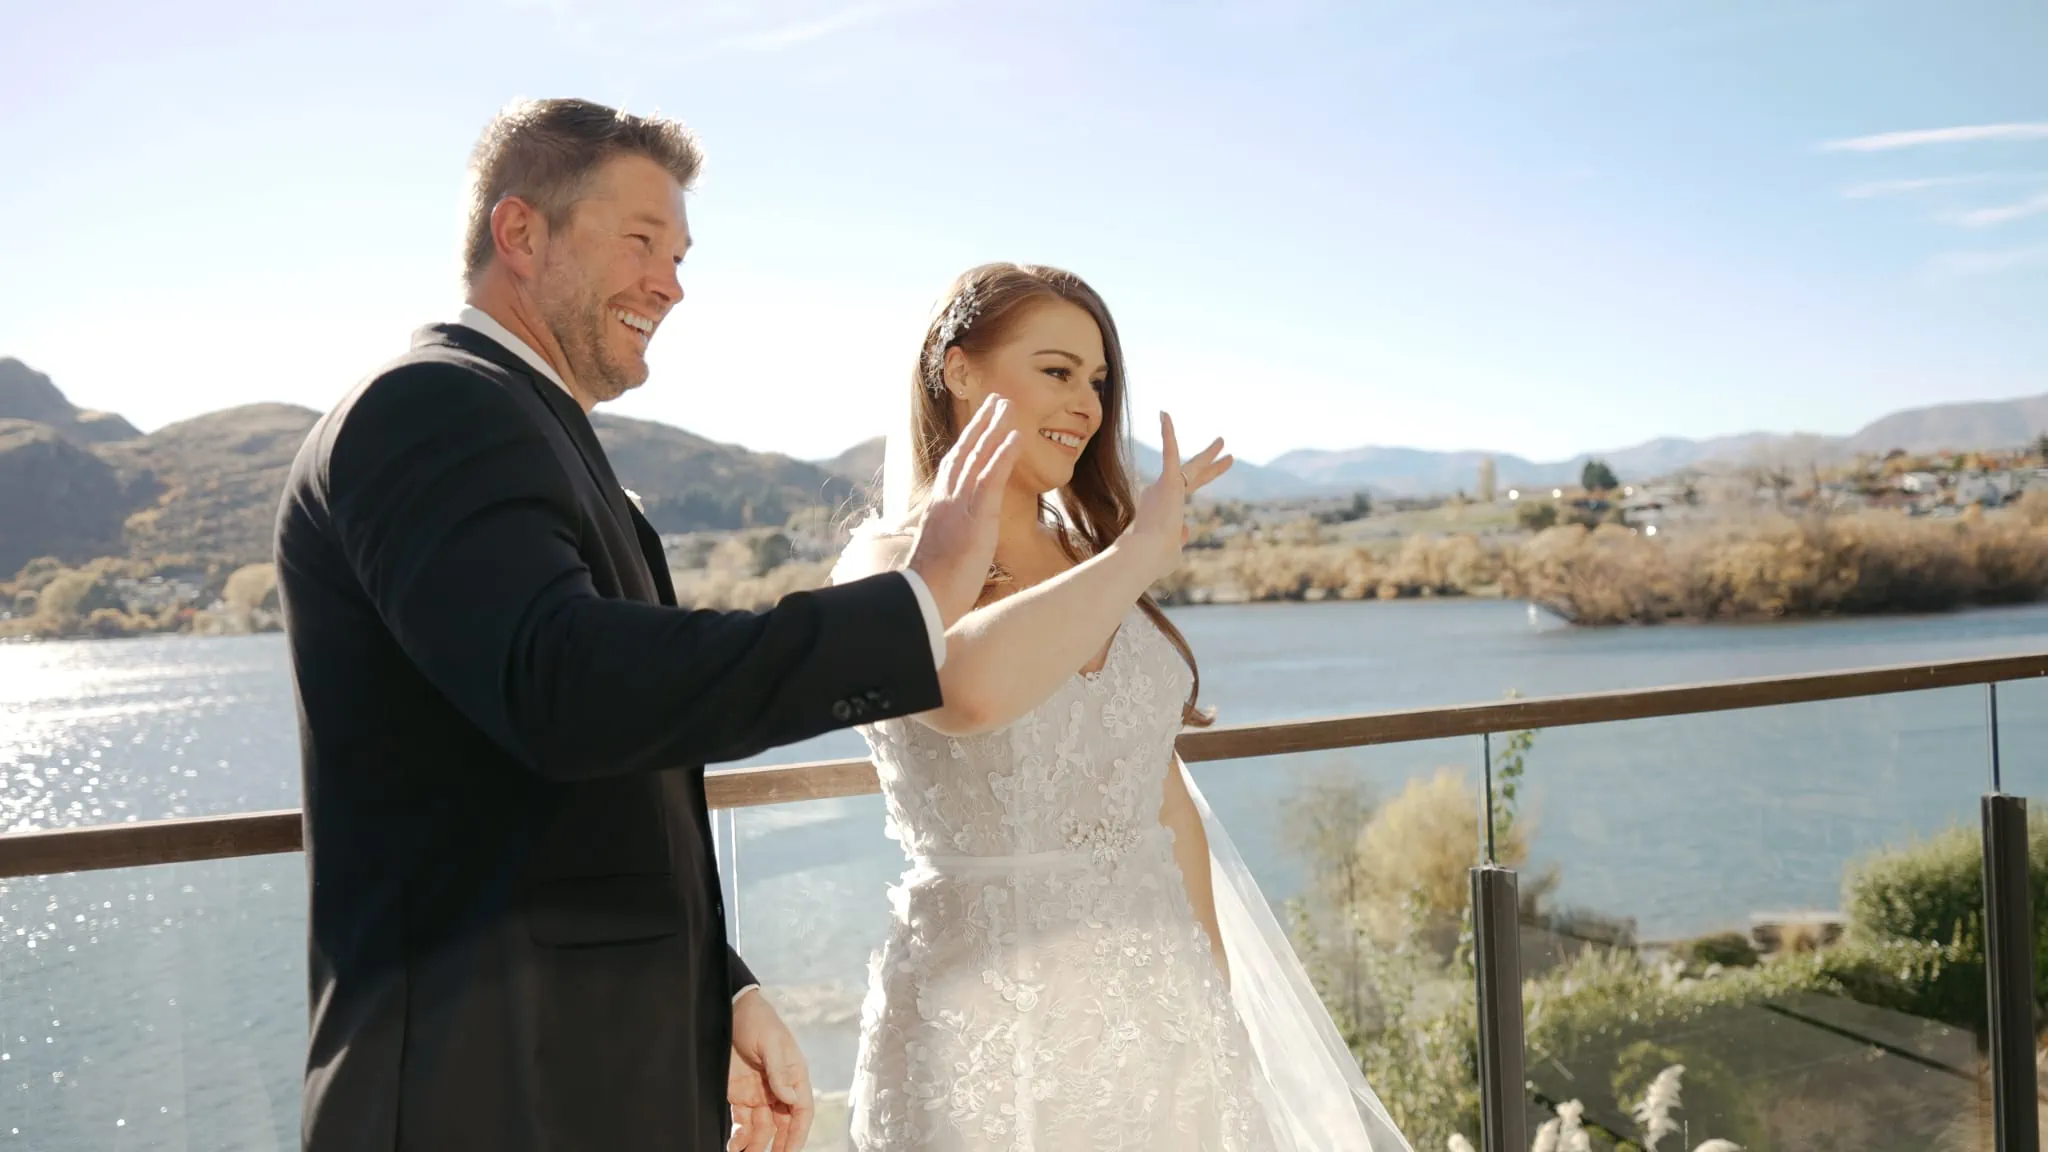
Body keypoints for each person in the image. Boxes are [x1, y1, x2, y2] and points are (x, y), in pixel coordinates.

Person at [274, 98, 1020, 1152]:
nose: (670, 283)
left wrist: (718, 985)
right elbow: (568, 691)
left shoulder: (548, 449)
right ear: (520, 234)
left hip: (589, 1075)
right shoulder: (430, 407)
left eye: (677, 253)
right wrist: (916, 600)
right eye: (640, 242)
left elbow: (615, 763)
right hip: (479, 1093)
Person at [829, 263, 1415, 1150]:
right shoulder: (884, 565)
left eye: (1099, 382)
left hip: (1165, 1021)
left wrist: (1215, 1004)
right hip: (992, 1031)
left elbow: (1165, 805)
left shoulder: (1092, 556)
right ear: (959, 371)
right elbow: (970, 696)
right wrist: (1140, 552)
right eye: (1058, 371)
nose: (1089, 406)